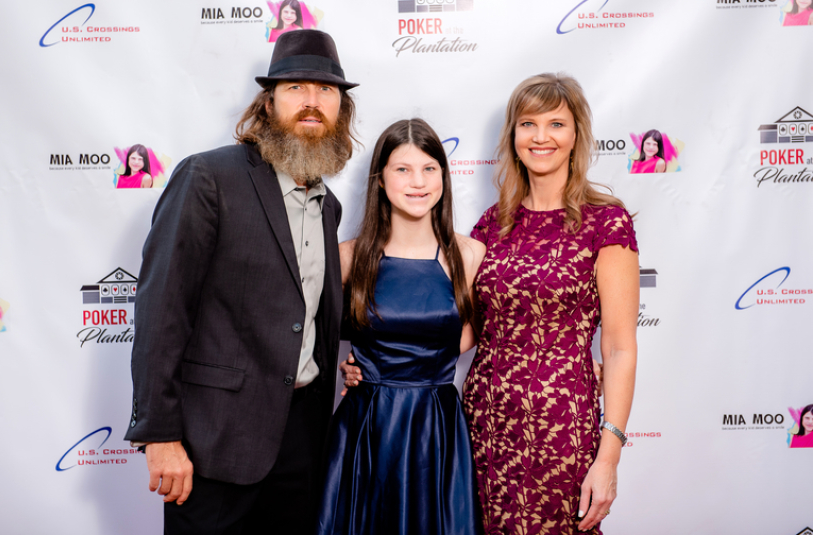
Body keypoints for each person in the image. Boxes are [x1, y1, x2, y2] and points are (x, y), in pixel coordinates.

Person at [125, 29, 359, 535]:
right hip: (214, 444)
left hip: (302, 441)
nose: (312, 102)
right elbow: (162, 311)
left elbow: (305, 317)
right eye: (296, 88)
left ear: (342, 110)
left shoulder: (328, 207)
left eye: (327, 91)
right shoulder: (209, 177)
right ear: (269, 101)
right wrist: (160, 436)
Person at [464, 73, 638, 534]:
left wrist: (609, 455)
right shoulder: (491, 225)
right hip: (485, 425)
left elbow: (619, 349)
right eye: (528, 124)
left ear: (576, 134)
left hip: (563, 429)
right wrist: (379, 359)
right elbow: (463, 331)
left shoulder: (607, 222)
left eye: (556, 124)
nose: (541, 137)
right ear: (513, 136)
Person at [317, 119, 485, 535]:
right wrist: (345, 365)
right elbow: (302, 333)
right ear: (380, 179)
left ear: (444, 178)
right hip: (366, 427)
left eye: (430, 168)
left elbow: (470, 338)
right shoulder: (347, 256)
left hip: (436, 429)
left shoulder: (470, 253)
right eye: (403, 169)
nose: (418, 182)